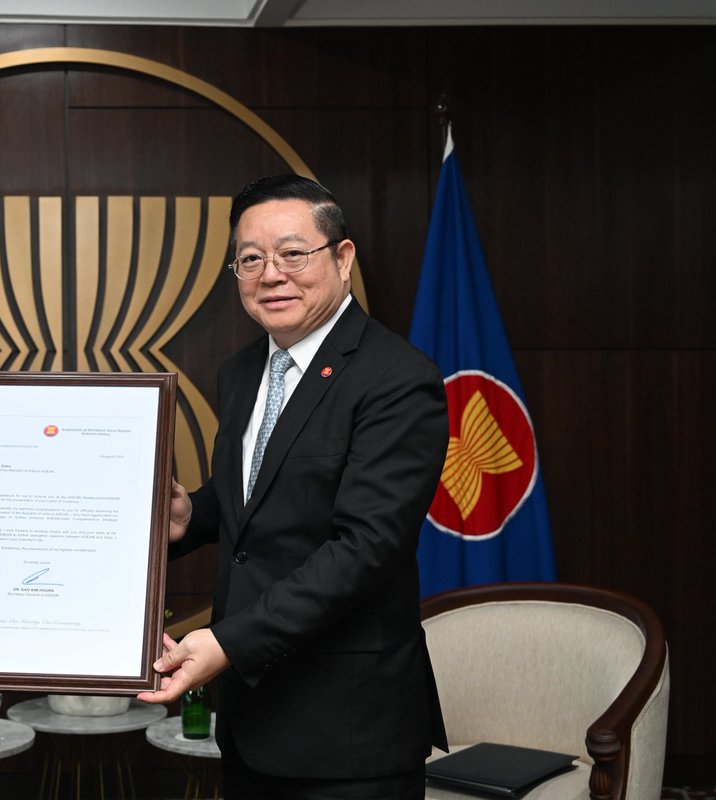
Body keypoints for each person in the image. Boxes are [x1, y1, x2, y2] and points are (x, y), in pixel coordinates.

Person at [137, 174, 449, 799]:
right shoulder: (245, 370)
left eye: (292, 253)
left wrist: (227, 641)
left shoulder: (397, 379)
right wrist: (190, 517)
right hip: (252, 721)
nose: (271, 274)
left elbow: (365, 548)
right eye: (250, 259)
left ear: (343, 258)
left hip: (349, 732)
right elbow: (256, 501)